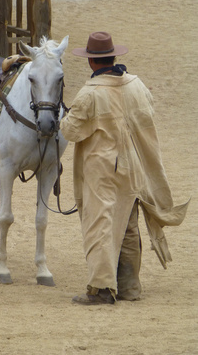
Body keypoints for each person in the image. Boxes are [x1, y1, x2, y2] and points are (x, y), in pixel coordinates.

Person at [60, 32, 189, 305]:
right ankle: (130, 286)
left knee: (100, 225)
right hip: (135, 164)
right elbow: (148, 112)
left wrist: (65, 115)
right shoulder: (136, 84)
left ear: (91, 62)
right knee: (128, 224)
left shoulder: (90, 93)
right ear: (114, 56)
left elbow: (70, 131)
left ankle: (102, 289)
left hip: (104, 170)